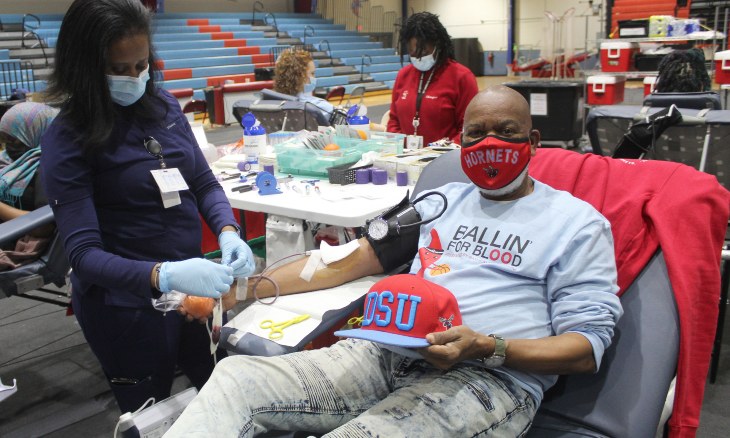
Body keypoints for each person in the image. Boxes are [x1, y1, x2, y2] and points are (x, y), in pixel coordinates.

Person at [165, 85, 623, 437]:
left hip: (487, 379)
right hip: (380, 352)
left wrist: (488, 345)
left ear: (534, 140)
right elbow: (345, 261)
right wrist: (240, 288)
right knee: (235, 377)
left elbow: (586, 348)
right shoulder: (440, 201)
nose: (489, 144)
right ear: (459, 142)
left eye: (505, 133)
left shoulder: (576, 225)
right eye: (475, 134)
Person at [39, 0, 255, 414]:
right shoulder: (68, 139)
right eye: (119, 70)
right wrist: (165, 275)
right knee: (151, 412)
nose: (135, 78)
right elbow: (84, 256)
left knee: (219, 394)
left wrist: (228, 230)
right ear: (84, 69)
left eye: (142, 66)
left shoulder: (164, 106)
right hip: (125, 311)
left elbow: (203, 182)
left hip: (190, 296)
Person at [387, 12, 479, 146]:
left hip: (444, 159)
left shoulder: (462, 77)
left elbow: (469, 129)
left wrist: (440, 153)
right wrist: (401, 147)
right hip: (406, 157)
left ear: (438, 46)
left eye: (423, 51)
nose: (418, 57)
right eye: (412, 52)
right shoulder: (403, 75)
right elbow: (394, 121)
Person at [0, 102, 57, 223]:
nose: (8, 147)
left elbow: (43, 225)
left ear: (35, 132)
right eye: (4, 140)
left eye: (13, 140)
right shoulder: (9, 160)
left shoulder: (48, 167)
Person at [273, 48, 336, 117]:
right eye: (312, 73)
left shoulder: (274, 104)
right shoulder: (323, 107)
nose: (314, 77)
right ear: (300, 76)